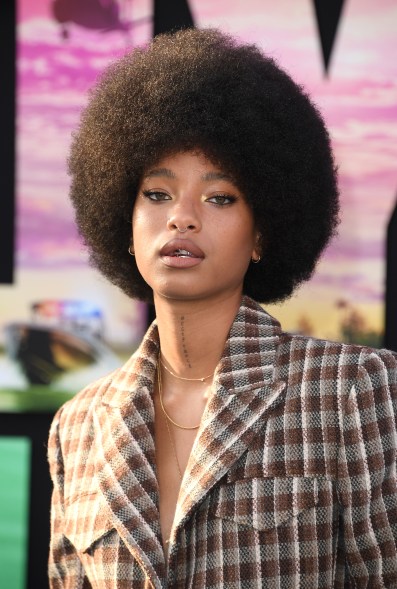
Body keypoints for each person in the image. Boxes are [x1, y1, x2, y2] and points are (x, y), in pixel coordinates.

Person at [48, 27, 397, 588]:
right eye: (157, 194)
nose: (181, 218)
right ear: (125, 224)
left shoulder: (354, 391)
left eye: (219, 197)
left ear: (263, 233)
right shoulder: (78, 428)